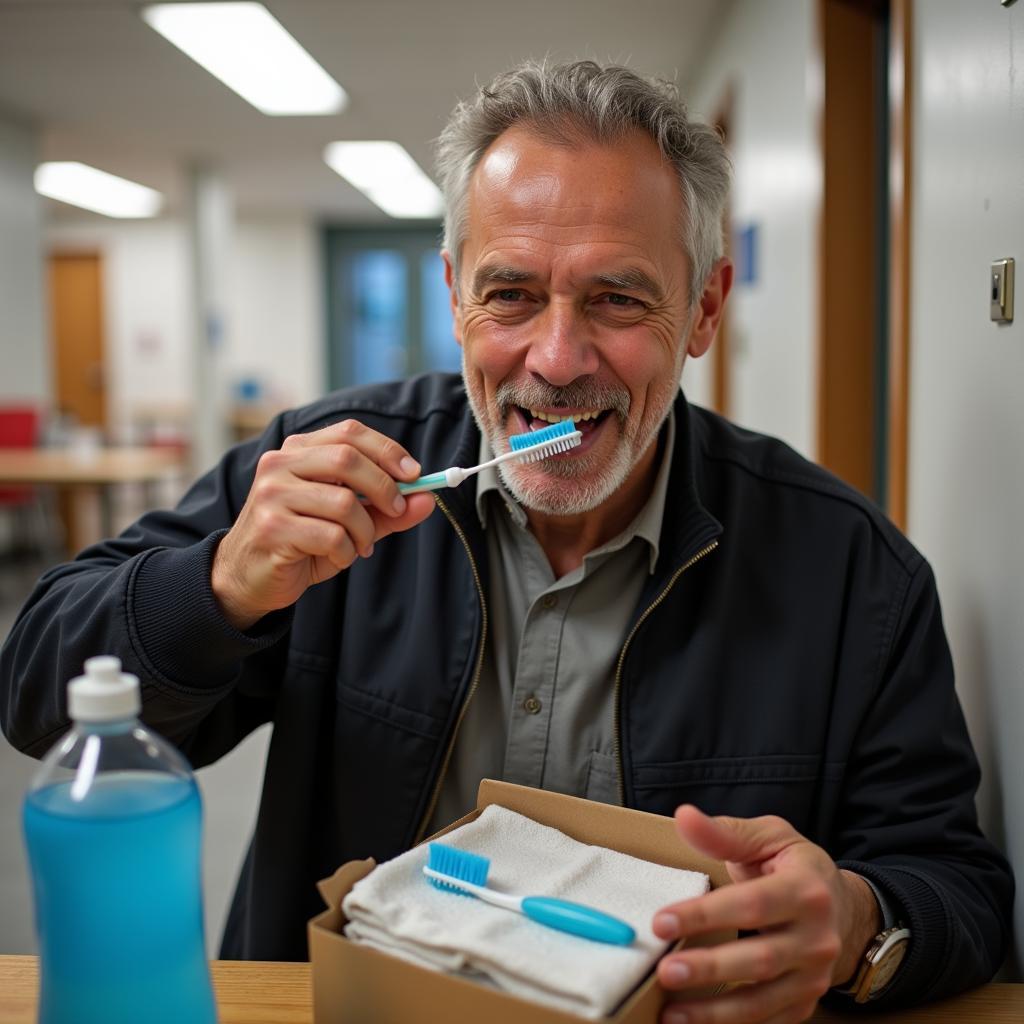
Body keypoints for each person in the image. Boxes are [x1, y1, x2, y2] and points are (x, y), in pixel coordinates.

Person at [0, 60, 1012, 1024]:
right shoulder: (316, 469)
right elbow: (40, 694)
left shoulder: (851, 571)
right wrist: (219, 587)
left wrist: (853, 926)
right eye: (511, 293)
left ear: (702, 308)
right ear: (452, 295)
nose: (557, 358)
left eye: (616, 298)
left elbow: (956, 887)